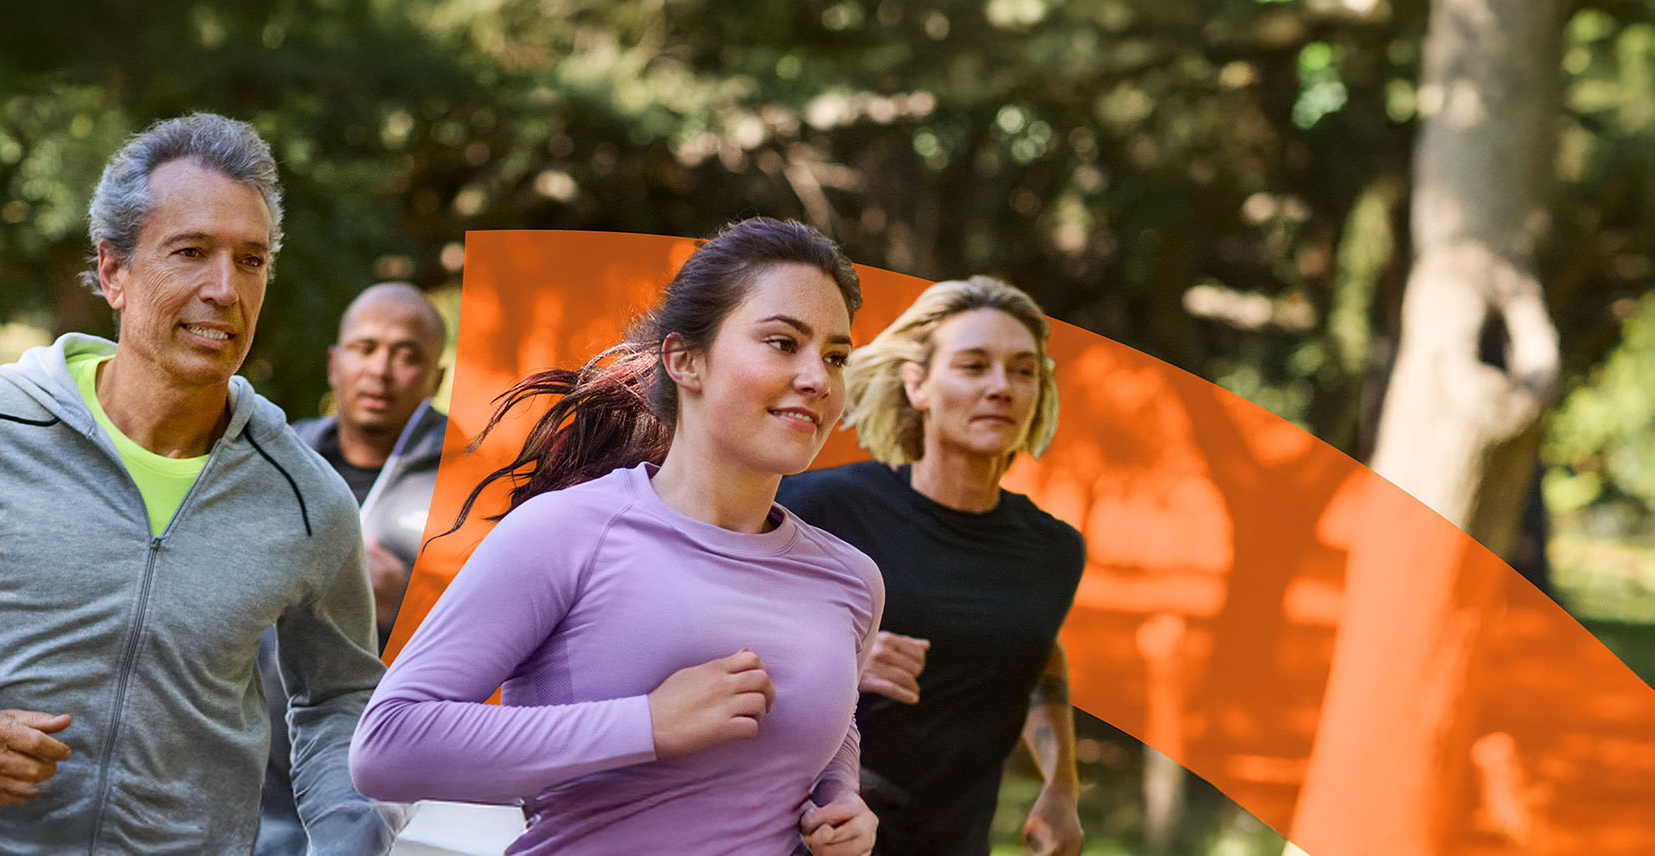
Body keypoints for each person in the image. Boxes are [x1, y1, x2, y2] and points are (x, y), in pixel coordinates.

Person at [0, 113, 394, 856]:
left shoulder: (304, 498)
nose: (224, 289)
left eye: (250, 260)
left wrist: (347, 842)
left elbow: (339, 696)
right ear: (114, 272)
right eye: (190, 252)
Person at [347, 217, 883, 856]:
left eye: (835, 357)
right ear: (685, 361)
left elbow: (831, 723)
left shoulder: (851, 579)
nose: (818, 378)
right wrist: (645, 725)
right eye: (782, 342)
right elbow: (387, 746)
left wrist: (840, 796)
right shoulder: (568, 531)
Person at [779, 276, 1088, 856]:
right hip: (813, 836)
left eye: (1023, 371)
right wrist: (838, 660)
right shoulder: (819, 507)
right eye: (973, 366)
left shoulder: (1053, 551)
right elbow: (710, 621)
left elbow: (1034, 644)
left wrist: (1061, 787)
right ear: (917, 384)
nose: (1001, 387)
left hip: (957, 839)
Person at [258, 281, 451, 856]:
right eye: (365, 348)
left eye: (406, 354)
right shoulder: (275, 458)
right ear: (334, 363)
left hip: (387, 790)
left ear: (436, 378)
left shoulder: (474, 484)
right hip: (250, 778)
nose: (381, 370)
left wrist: (409, 603)